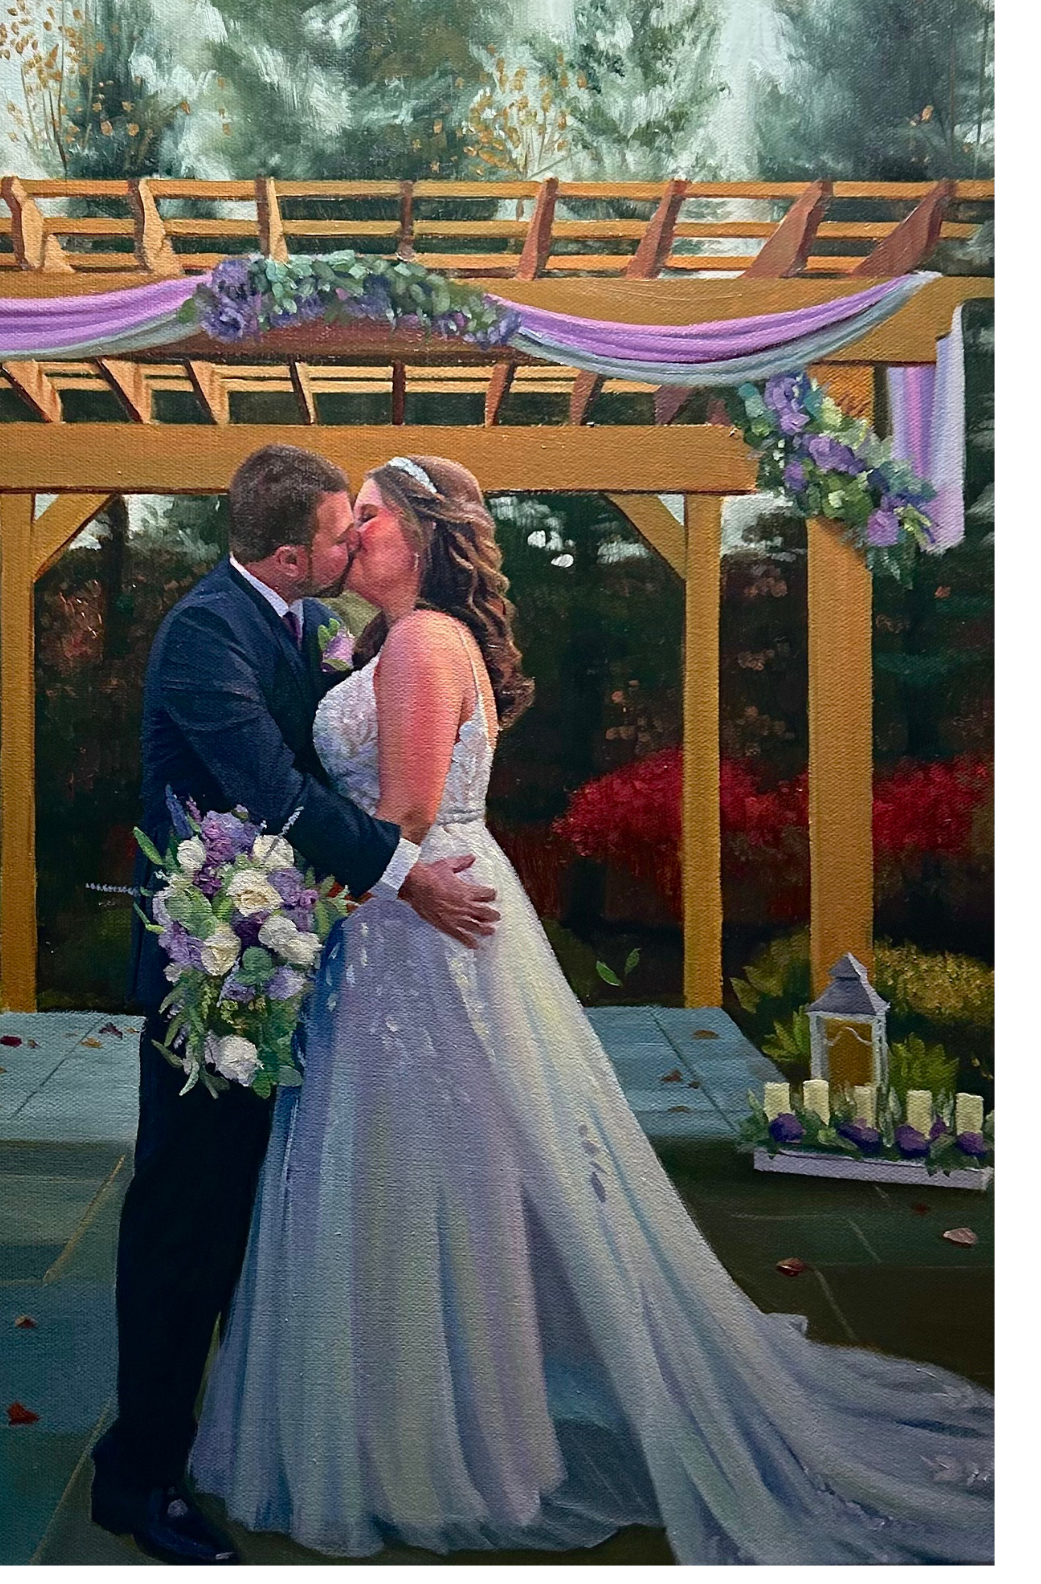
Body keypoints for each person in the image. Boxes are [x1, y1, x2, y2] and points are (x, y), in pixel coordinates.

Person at [188, 453, 997, 1565]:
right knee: (425, 1163)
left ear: (417, 536)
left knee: (419, 1162)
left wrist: (283, 903)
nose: (348, 538)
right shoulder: (388, 640)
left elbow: (408, 810)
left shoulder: (423, 639)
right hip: (403, 915)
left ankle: (432, 1438)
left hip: (419, 922)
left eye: (367, 518)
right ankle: (433, 1420)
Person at [90, 443, 501, 1566]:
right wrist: (408, 873)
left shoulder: (304, 622)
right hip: (208, 974)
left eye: (366, 521)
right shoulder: (205, 633)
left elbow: (337, 765)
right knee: (185, 1220)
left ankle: (224, 1432)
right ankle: (135, 1477)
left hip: (291, 958)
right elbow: (270, 788)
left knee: (247, 1216)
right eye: (339, 528)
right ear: (290, 552)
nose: (353, 538)